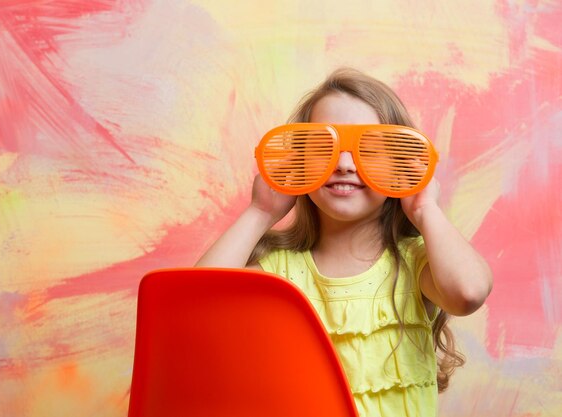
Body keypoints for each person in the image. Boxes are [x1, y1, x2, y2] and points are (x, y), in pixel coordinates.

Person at [195, 67, 493, 417]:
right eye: (325, 146)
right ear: (300, 160)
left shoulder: (414, 264)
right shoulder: (278, 269)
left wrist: (426, 208)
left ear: (400, 169)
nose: (344, 164)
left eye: (371, 149)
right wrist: (260, 211)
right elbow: (198, 309)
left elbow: (469, 292)